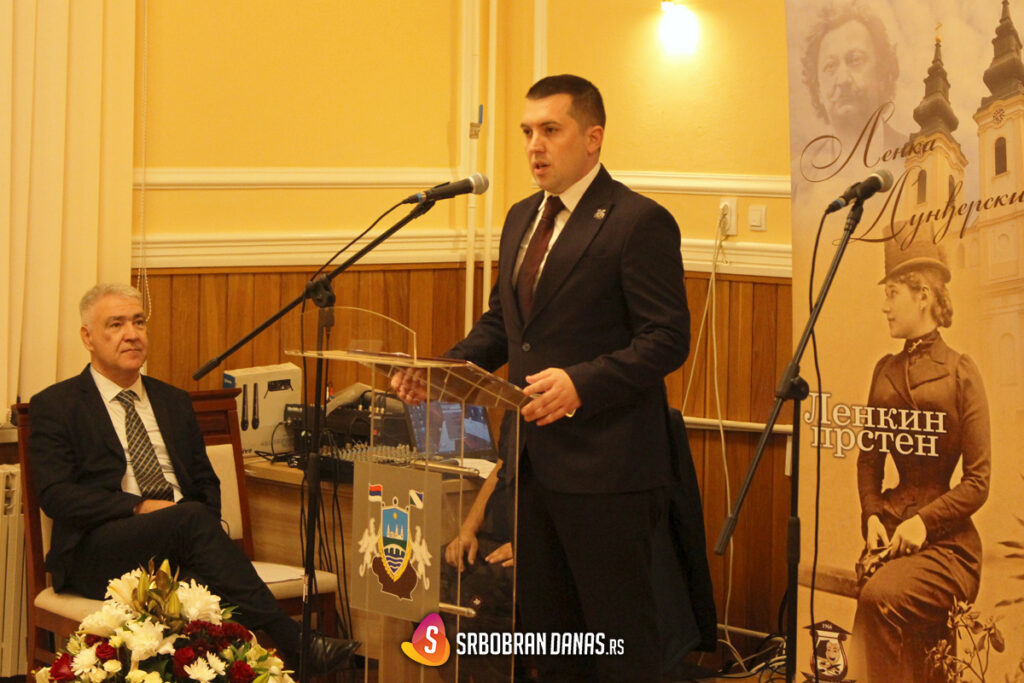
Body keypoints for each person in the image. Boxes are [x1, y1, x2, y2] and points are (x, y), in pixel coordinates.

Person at [394, 74, 690, 681]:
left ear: (593, 138)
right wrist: (442, 371)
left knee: (617, 643)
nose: (534, 145)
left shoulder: (637, 221)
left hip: (609, 470)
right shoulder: (521, 217)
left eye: (551, 130)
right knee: (552, 645)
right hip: (532, 465)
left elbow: (667, 338)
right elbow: (503, 326)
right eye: (528, 131)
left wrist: (582, 382)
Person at [28, 283, 359, 674]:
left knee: (200, 561)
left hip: (181, 545)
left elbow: (206, 484)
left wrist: (196, 527)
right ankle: (295, 643)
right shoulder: (57, 405)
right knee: (192, 526)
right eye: (115, 325)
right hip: (101, 550)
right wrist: (140, 507)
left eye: (139, 322)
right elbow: (57, 495)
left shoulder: (173, 401)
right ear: (87, 337)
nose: (131, 334)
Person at [850, 237, 991, 682]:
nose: (885, 306)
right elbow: (869, 461)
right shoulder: (884, 371)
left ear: (923, 294)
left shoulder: (960, 372)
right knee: (890, 615)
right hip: (893, 533)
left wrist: (924, 523)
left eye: (893, 293)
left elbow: (978, 482)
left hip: (949, 547)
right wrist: (873, 514)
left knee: (879, 599)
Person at [800, 0, 904, 152]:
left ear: (882, 73)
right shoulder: (804, 166)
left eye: (855, 60)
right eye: (830, 66)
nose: (843, 80)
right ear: (818, 89)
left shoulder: (917, 156)